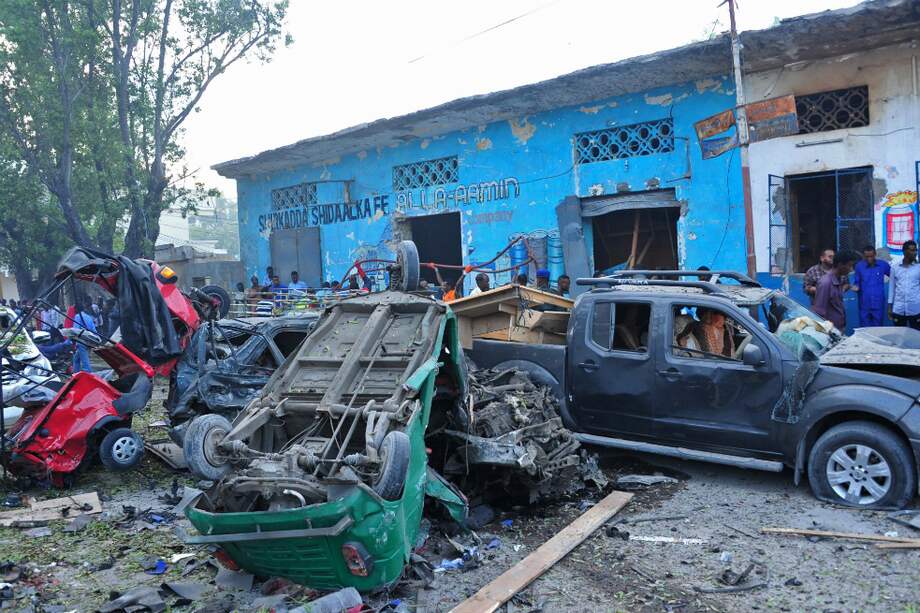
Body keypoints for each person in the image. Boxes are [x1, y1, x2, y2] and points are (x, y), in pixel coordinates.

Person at [814, 251, 858, 332]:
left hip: (838, 329)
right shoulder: (826, 283)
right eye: (849, 266)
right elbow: (819, 312)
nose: (851, 269)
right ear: (840, 265)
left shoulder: (839, 279)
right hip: (829, 332)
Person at [853, 245, 890, 327]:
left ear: (875, 254)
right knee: (864, 328)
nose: (869, 258)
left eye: (871, 256)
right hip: (864, 303)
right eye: (867, 257)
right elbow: (857, 282)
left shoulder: (883, 265)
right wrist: (856, 287)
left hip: (878, 303)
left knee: (878, 327)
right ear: (863, 256)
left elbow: (894, 276)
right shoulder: (859, 266)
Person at [888, 239, 920, 330]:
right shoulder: (895, 268)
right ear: (905, 251)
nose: (915, 253)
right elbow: (891, 288)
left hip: (915, 309)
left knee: (916, 336)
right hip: (899, 309)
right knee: (899, 336)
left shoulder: (918, 268)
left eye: (915, 250)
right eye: (912, 250)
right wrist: (890, 307)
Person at [71, 299, 97, 373]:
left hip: (81, 341)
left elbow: (75, 330)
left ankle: (88, 375)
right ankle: (75, 373)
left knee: (85, 362)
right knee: (76, 359)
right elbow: (94, 330)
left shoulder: (77, 316)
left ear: (76, 309)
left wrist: (72, 341)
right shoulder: (88, 317)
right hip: (89, 340)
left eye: (74, 309)